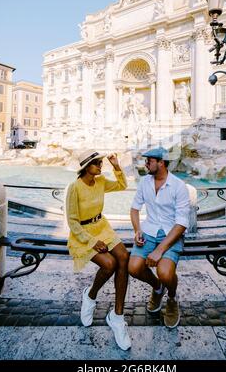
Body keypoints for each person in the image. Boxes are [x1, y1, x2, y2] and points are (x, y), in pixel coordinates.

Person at [65, 149, 131, 350]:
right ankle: (91, 295)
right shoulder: (74, 188)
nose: (101, 166)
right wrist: (92, 241)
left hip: (102, 227)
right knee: (109, 264)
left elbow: (122, 185)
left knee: (124, 258)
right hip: (83, 234)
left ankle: (117, 316)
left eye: (101, 163)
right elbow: (72, 222)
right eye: (97, 163)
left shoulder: (101, 182)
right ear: (86, 166)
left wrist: (116, 166)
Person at [128, 147, 190, 328]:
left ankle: (171, 297)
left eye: (149, 161)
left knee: (165, 272)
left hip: (172, 234)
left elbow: (181, 224)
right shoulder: (145, 182)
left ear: (161, 163)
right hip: (149, 231)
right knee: (133, 268)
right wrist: (137, 230)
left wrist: (159, 250)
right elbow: (134, 208)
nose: (146, 164)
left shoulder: (179, 186)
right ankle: (157, 288)